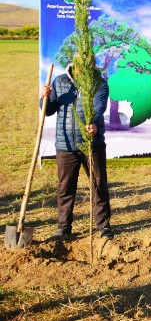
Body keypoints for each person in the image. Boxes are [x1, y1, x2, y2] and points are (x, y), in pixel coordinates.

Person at [40, 63, 114, 240]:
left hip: (91, 144)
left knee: (98, 185)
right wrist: (44, 98)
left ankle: (103, 226)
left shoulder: (99, 83)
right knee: (65, 188)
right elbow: (48, 110)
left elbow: (99, 106)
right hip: (65, 145)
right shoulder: (60, 82)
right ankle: (63, 228)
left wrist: (94, 124)